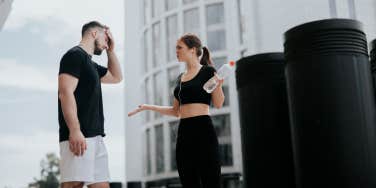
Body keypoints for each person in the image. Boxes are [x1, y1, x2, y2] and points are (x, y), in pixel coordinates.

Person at [128, 33, 225, 188]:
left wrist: (218, 85)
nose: (176, 51)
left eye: (179, 47)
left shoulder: (208, 71)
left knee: (210, 179)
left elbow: (219, 104)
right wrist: (148, 107)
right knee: (188, 180)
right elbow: (176, 111)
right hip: (184, 132)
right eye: (176, 48)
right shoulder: (180, 78)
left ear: (192, 50)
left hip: (203, 129)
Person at [58, 21, 122, 188]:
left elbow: (116, 77)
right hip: (79, 135)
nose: (107, 42)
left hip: (96, 137)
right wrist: (74, 130)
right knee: (74, 184)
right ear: (94, 33)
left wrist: (111, 50)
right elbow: (65, 93)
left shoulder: (91, 65)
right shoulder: (74, 55)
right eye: (105, 38)